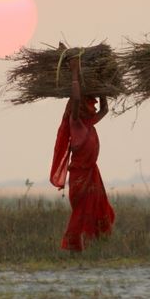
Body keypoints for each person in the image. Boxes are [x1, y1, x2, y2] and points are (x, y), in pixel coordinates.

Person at [50, 55, 115, 251]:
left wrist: (102, 85)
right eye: (89, 103)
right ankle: (73, 246)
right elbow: (76, 99)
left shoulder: (89, 122)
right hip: (80, 178)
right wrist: (75, 73)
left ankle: (90, 246)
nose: (91, 105)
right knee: (81, 213)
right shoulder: (76, 122)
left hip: (92, 175)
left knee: (93, 213)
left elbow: (105, 109)